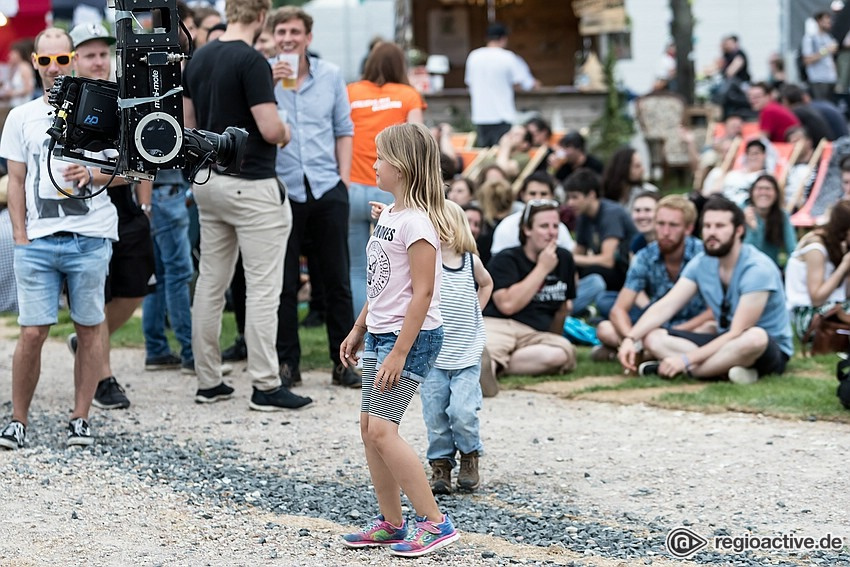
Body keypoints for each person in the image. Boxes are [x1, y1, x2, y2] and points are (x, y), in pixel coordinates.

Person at [183, 0, 312, 410]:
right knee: (262, 288)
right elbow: (271, 129)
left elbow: (188, 127)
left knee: (210, 283)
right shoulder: (253, 60)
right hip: (252, 184)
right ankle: (266, 384)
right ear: (261, 17)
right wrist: (287, 130)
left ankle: (208, 380)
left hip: (208, 181)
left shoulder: (199, 57)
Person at [339, 123, 459, 556]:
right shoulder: (389, 215)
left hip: (410, 339)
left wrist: (399, 352)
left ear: (404, 167)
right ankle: (391, 522)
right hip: (381, 334)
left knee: (384, 431)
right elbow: (382, 284)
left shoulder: (419, 225)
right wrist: (358, 327)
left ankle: (435, 523)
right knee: (369, 429)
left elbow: (423, 294)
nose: (374, 165)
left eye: (381, 158)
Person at [0, 27, 117, 449]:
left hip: (90, 236)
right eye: (45, 60)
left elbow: (128, 172)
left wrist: (93, 173)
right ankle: (17, 420)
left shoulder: (104, 112)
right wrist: (19, 236)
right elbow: (15, 180)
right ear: (35, 63)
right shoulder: (21, 116)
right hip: (38, 241)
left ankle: (80, 418)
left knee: (89, 329)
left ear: (74, 60)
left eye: (62, 60)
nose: (54, 69)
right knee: (32, 331)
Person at [268, 6, 360, 389]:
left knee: (336, 279)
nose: (287, 39)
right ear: (274, 38)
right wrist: (266, 82)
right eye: (281, 32)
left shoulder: (332, 76)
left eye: (294, 32)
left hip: (325, 186)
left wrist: (343, 180)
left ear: (307, 37)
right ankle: (288, 363)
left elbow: (344, 128)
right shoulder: (262, 75)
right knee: (285, 281)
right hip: (283, 188)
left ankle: (344, 363)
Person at [67, 22, 154, 410]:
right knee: (94, 294)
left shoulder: (128, 97)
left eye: (104, 53)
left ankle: (86, 339)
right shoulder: (67, 100)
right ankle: (103, 377)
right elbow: (69, 170)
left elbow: (147, 157)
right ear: (75, 60)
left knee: (134, 288)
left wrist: (145, 203)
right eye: (90, 54)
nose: (99, 61)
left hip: (126, 207)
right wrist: (107, 175)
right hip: (83, 210)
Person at [618, 196, 793, 385]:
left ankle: (697, 372)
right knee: (653, 337)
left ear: (738, 230)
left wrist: (684, 360)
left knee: (754, 337)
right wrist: (631, 338)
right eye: (708, 226)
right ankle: (727, 370)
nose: (711, 232)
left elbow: (737, 332)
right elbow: (666, 306)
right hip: (724, 342)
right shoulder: (702, 262)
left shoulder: (758, 268)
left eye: (720, 226)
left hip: (764, 348)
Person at [347, 41, 425, 318]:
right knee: (398, 267)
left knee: (358, 268)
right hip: (394, 190)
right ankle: (394, 328)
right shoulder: (408, 95)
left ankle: (362, 336)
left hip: (353, 186)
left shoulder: (351, 92)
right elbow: (418, 142)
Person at [422, 200, 493, 495]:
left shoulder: (469, 262)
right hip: (434, 357)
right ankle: (440, 464)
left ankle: (469, 455)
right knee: (435, 413)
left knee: (463, 412)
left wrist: (477, 309)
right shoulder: (427, 261)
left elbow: (487, 284)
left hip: (465, 354)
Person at [593, 196, 710, 361]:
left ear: (688, 229)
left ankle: (644, 354)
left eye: (673, 225)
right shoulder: (645, 256)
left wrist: (679, 329)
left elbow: (714, 311)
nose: (665, 232)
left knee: (710, 327)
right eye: (661, 224)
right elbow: (619, 309)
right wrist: (631, 339)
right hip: (653, 324)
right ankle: (641, 351)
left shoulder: (703, 256)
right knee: (605, 328)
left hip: (693, 327)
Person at [482, 199, 578, 378]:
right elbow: (507, 305)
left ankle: (492, 369)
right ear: (527, 230)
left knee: (561, 353)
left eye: (555, 226)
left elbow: (562, 309)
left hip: (534, 334)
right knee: (493, 349)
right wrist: (542, 269)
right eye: (544, 226)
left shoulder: (564, 259)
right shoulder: (506, 259)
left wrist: (553, 338)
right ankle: (488, 368)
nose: (551, 233)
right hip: (500, 325)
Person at [565, 168, 638, 314]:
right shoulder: (583, 216)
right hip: (606, 271)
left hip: (626, 271)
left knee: (594, 273)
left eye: (575, 197)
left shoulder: (610, 213)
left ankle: (569, 309)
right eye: (568, 198)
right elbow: (578, 251)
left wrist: (571, 258)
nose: (570, 203)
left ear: (591, 195)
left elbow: (607, 260)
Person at [785, 200, 850, 344]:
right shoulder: (816, 248)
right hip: (809, 317)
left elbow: (846, 294)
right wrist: (844, 266)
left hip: (833, 309)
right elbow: (817, 299)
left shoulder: (836, 244)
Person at [464, 22, 536, 147]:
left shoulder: (473, 56)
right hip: (502, 115)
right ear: (503, 39)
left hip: (481, 115)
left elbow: (469, 83)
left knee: (485, 156)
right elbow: (522, 84)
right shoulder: (508, 57)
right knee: (501, 154)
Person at [742, 175, 797, 269]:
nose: (763, 192)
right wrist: (752, 229)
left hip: (770, 271)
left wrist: (787, 272)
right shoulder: (741, 212)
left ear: (776, 194)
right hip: (744, 268)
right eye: (759, 189)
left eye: (768, 189)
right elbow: (746, 253)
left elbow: (792, 249)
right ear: (752, 192)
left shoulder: (782, 216)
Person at [701, 138, 769, 208]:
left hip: (742, 208)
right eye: (750, 154)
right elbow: (713, 192)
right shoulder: (733, 174)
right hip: (721, 204)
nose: (753, 157)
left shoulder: (765, 177)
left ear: (764, 155)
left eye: (756, 153)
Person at [802, 11, 838, 102]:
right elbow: (807, 60)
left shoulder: (828, 37)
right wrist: (826, 50)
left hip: (830, 79)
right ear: (819, 21)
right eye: (826, 21)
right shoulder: (810, 38)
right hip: (818, 79)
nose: (829, 23)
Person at [0, 40, 35, 107]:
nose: (10, 55)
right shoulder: (16, 67)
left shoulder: (25, 67)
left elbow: (28, 89)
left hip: (23, 104)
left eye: (13, 53)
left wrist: (12, 93)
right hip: (14, 104)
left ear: (19, 54)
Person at [629, 190, 659, 255]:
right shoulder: (637, 243)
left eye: (647, 210)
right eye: (637, 210)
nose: (641, 216)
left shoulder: (671, 243)